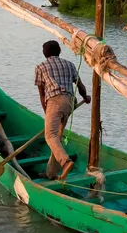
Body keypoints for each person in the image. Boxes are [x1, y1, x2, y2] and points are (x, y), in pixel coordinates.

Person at [34, 40, 90, 179]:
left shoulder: (41, 67)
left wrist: (47, 112)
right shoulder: (69, 64)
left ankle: (65, 163)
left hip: (55, 102)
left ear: (44, 53)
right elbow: (80, 86)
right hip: (69, 102)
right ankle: (51, 173)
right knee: (56, 138)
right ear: (59, 51)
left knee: (50, 136)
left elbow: (42, 94)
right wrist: (86, 97)